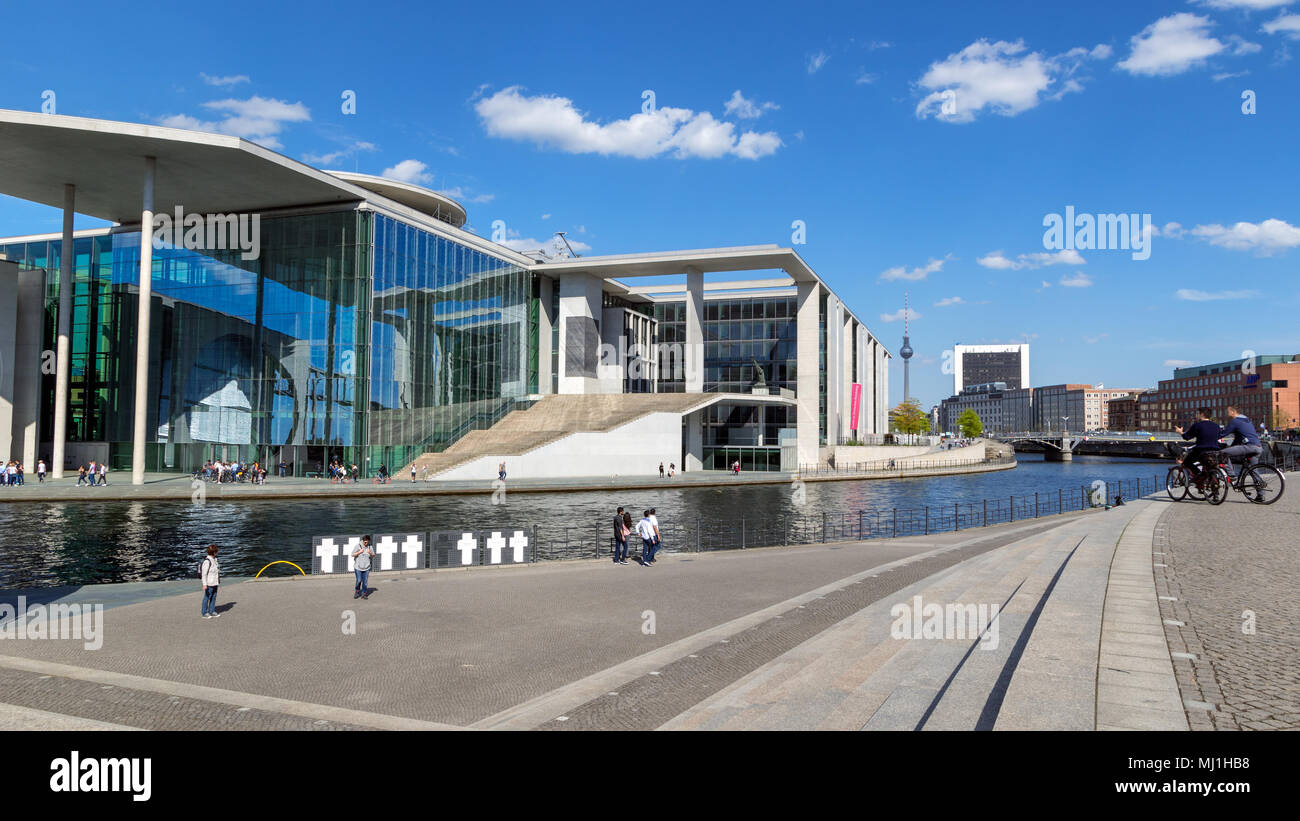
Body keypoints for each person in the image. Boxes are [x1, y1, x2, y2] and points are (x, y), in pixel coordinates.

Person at [1174, 408, 1223, 485]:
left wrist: (1180, 432)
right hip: (1215, 451)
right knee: (1210, 467)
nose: (1196, 415)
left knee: (1186, 462)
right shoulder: (1216, 426)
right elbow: (1218, 437)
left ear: (1202, 414)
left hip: (1201, 451)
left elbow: (1187, 437)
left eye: (1198, 413)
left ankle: (1199, 475)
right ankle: (1211, 482)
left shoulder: (1197, 425)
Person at [1220, 405, 1263, 470]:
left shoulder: (1235, 421)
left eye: (1228, 411)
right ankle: (1255, 477)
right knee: (1253, 470)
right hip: (1258, 447)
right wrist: (1230, 446)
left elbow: (1223, 434)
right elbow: (1237, 438)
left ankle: (1231, 474)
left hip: (1249, 446)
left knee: (1221, 454)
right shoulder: (1247, 420)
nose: (1227, 413)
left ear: (1233, 412)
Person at [200, 545, 221, 619]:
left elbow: (216, 571)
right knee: (207, 597)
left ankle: (212, 611)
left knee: (214, 597)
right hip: (209, 583)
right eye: (216, 552)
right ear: (214, 552)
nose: (217, 553)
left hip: (215, 582)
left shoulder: (214, 560)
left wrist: (218, 579)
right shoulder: (207, 561)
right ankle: (204, 612)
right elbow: (204, 574)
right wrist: (204, 584)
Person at [352, 535, 374, 599]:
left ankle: (364, 594)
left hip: (366, 568)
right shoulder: (358, 546)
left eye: (367, 542)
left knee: (365, 582)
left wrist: (370, 553)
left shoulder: (370, 547)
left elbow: (373, 556)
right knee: (359, 580)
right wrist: (359, 552)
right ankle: (357, 591)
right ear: (363, 541)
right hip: (358, 567)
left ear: (369, 541)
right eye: (364, 542)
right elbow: (352, 554)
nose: (365, 543)